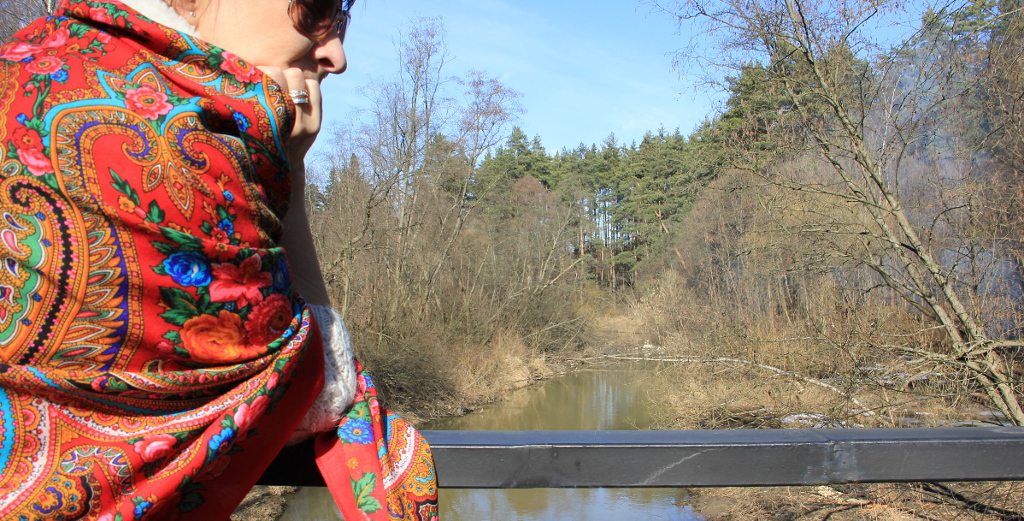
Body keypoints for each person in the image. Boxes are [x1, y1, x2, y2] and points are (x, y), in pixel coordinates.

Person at [0, 0, 437, 519]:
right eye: (316, 8)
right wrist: (291, 171)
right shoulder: (175, 141)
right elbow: (312, 392)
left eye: (340, 20)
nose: (335, 56)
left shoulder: (26, 68)